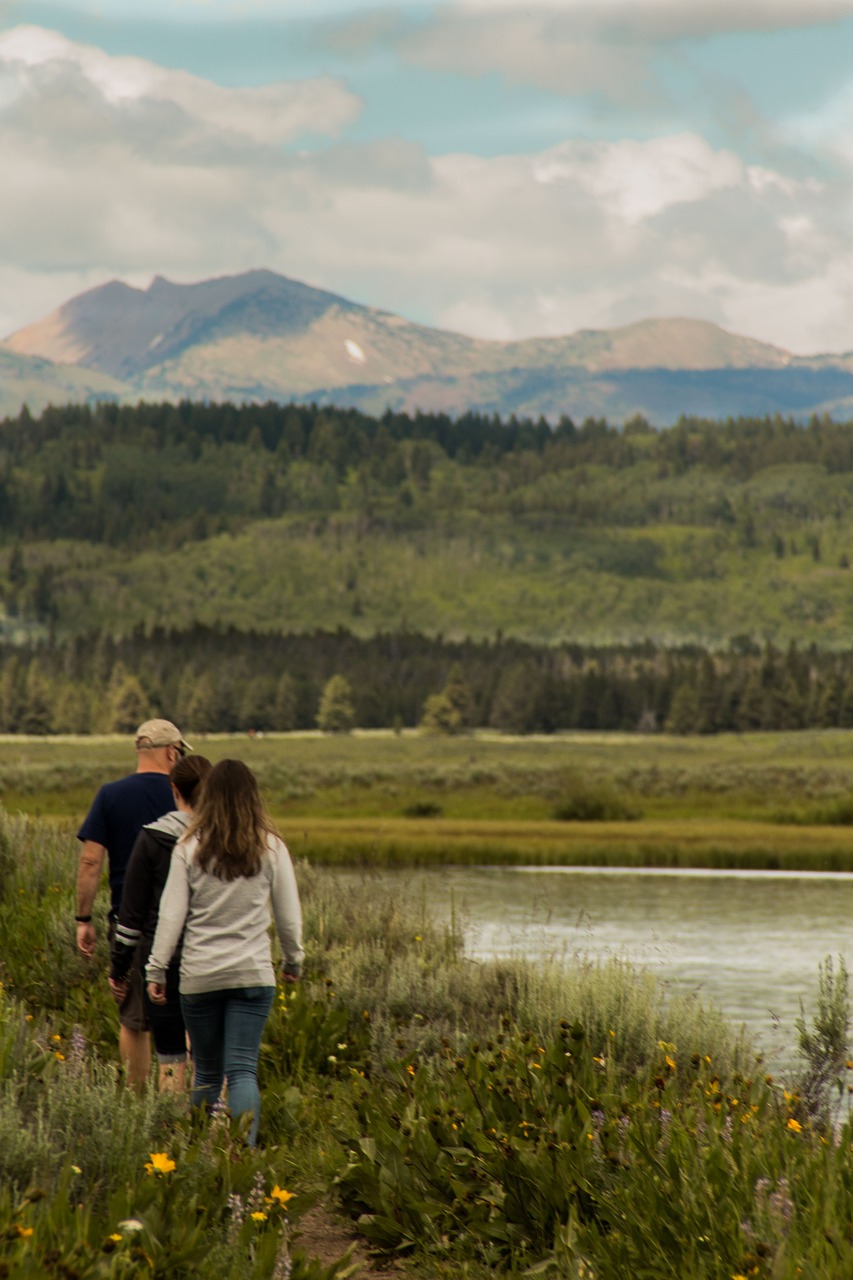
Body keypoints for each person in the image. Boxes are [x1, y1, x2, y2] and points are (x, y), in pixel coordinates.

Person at [146, 758, 303, 1145]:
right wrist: (293, 961)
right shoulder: (271, 846)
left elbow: (171, 916)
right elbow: (289, 917)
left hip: (200, 976)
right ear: (253, 798)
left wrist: (156, 969)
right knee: (243, 1070)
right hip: (252, 974)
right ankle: (242, 1154)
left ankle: (200, 1153)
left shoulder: (188, 848)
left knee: (208, 1074)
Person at [76, 717, 191, 1087]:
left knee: (134, 1020)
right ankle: (185, 1103)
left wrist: (83, 917)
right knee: (187, 1015)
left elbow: (91, 860)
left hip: (129, 921)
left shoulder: (110, 795)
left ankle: (139, 1105)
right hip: (188, 922)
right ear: (172, 753)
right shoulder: (187, 795)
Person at [109, 754, 212, 1093]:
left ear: (174, 789)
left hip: (163, 962)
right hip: (213, 959)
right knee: (211, 1059)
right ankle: (217, 1132)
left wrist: (119, 970)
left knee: (170, 1058)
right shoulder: (223, 839)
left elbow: (131, 916)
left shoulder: (153, 839)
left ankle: (170, 1133)